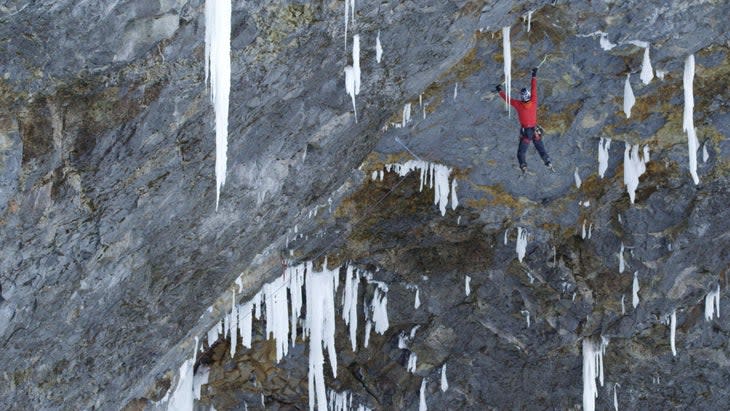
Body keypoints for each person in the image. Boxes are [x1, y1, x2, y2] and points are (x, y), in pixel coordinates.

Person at [495, 67, 553, 175]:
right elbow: (534, 88)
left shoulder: (518, 104)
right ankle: (547, 161)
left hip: (526, 132)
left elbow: (508, 99)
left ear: (522, 98)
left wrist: (499, 90)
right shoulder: (534, 101)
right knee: (541, 148)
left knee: (521, 153)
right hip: (535, 130)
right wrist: (534, 75)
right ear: (529, 97)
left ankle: (523, 166)